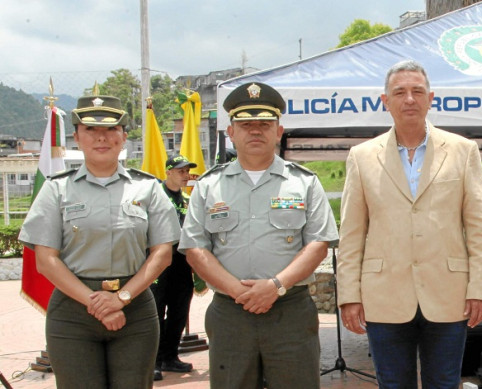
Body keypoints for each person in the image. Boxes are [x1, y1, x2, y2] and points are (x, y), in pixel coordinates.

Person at [336, 60, 482, 389]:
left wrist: (480, 288)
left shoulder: (463, 151)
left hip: (448, 294)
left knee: (445, 383)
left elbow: (480, 228)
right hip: (384, 295)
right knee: (393, 384)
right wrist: (349, 295)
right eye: (400, 92)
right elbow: (351, 234)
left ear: (430, 98)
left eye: (417, 91)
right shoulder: (362, 156)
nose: (409, 99)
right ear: (385, 101)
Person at [179, 82, 339, 388]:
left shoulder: (304, 182)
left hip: (290, 311)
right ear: (231, 132)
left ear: (279, 131)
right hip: (230, 313)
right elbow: (195, 249)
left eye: (265, 124)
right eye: (246, 125)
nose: (255, 131)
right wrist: (238, 291)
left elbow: (318, 244)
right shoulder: (209, 185)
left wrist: (275, 286)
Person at [18, 95, 180, 388]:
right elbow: (46, 260)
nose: (101, 137)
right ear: (77, 137)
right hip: (72, 311)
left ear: (124, 137)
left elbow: (162, 253)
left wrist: (121, 298)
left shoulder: (148, 188)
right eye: (90, 129)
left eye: (111, 129)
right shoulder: (56, 189)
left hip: (135, 308)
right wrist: (96, 303)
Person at [151, 154, 198, 381]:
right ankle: (154, 361)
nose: (185, 175)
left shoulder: (188, 200)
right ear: (168, 171)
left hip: (182, 263)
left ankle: (171, 356)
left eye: (187, 171)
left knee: (179, 311)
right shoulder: (155, 197)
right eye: (181, 171)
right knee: (156, 312)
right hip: (159, 263)